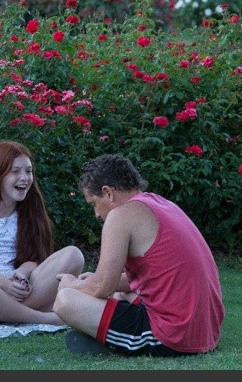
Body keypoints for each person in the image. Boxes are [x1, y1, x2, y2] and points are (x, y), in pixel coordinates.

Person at [53, 153, 224, 357]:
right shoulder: (159, 203)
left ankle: (115, 343)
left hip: (172, 337)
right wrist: (93, 281)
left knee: (66, 300)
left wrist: (72, 284)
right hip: (204, 331)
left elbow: (102, 287)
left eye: (93, 204)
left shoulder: (120, 215)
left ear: (108, 193)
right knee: (120, 294)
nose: (96, 214)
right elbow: (138, 279)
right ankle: (109, 335)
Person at [0, 140, 85, 325]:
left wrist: (23, 272)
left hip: (22, 288)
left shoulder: (30, 210)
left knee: (74, 255)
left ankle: (8, 314)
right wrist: (5, 285)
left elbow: (35, 257)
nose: (24, 178)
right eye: (15, 171)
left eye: (28, 171)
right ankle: (43, 318)